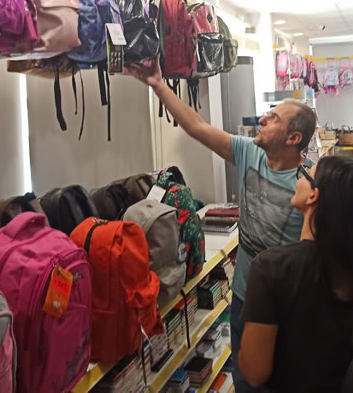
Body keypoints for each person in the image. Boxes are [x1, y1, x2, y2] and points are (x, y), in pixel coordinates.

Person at [131, 58, 318, 393]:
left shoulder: (311, 182)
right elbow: (198, 128)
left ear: (293, 138)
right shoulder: (249, 152)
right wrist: (159, 86)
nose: (262, 119)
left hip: (289, 305)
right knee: (246, 381)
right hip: (246, 296)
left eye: (273, 119)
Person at [238, 156, 353, 393]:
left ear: (313, 196)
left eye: (305, 174)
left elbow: (254, 372)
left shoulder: (270, 268)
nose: (298, 179)